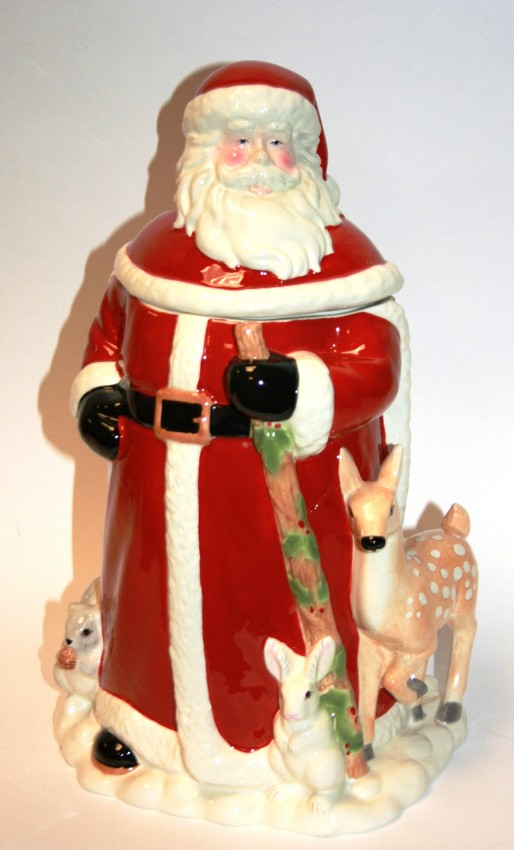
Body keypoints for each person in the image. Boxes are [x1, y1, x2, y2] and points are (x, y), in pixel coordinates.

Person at [72, 61, 409, 784]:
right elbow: (109, 332)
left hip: (274, 485)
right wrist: (98, 391)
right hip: (153, 481)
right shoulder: (153, 256)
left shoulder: (339, 265)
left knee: (271, 626)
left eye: (277, 143)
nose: (259, 160)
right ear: (203, 151)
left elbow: (376, 364)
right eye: (240, 141)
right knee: (152, 605)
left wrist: (300, 386)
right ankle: (142, 722)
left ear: (307, 156)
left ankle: (294, 743)